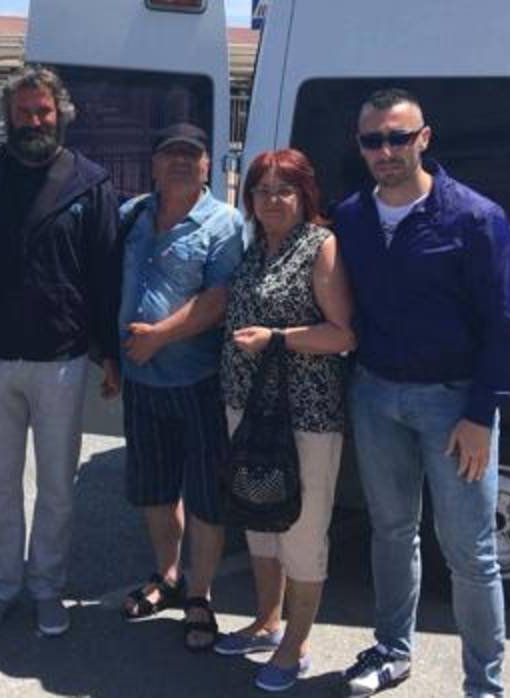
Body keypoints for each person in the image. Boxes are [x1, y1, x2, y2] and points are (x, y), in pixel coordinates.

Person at [333, 88, 510, 698]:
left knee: (471, 553)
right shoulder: (351, 217)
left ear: (425, 138)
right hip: (376, 396)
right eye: (374, 140)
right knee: (391, 532)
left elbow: (509, 329)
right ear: (361, 147)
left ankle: (484, 686)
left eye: (398, 137)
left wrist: (480, 415)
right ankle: (393, 652)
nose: (386, 150)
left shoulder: (475, 218)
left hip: (454, 406)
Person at [0, 64, 122, 638]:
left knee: (57, 485)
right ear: (8, 116)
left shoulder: (91, 182)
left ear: (60, 115)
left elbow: (107, 273)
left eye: (43, 112)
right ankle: (3, 585)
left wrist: (110, 354)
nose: (34, 121)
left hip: (63, 359)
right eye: (24, 112)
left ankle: (46, 587)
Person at [217, 148, 356, 691]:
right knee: (259, 516)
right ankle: (266, 622)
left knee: (301, 528)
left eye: (284, 190)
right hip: (249, 410)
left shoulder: (321, 248)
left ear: (304, 196)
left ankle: (296, 645)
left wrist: (276, 339)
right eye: (262, 190)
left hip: (305, 415)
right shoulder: (256, 250)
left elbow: (343, 334)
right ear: (248, 198)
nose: (272, 200)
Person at [114, 123, 245, 653]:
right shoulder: (133, 216)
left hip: (198, 379)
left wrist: (161, 337)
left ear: (208, 165)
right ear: (153, 164)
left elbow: (220, 298)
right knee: (155, 489)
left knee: (206, 494)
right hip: (140, 381)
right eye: (170, 154)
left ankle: (201, 594)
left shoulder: (225, 222)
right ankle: (167, 576)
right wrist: (112, 355)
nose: (180, 163)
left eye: (191, 156)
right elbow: (111, 283)